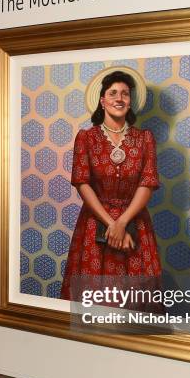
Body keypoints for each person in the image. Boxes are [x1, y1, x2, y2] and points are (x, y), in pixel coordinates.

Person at [60, 68, 164, 313]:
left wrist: (122, 222)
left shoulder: (145, 138)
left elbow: (147, 182)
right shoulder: (86, 138)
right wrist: (111, 224)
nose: (119, 98)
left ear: (131, 101)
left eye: (125, 94)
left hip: (135, 224)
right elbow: (82, 182)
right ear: (102, 100)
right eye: (113, 93)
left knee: (138, 303)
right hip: (94, 225)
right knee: (92, 303)